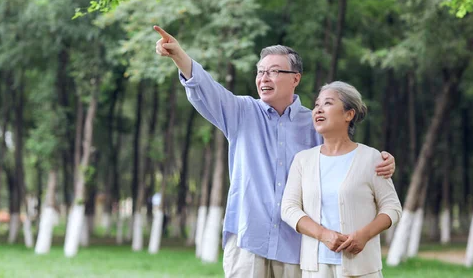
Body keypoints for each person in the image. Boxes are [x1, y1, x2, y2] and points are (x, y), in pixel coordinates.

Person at [154, 26, 395, 278]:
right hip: (248, 240)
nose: (264, 78)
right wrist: (179, 56)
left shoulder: (314, 123)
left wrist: (382, 161)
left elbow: (345, 157)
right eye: (260, 72)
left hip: (298, 244)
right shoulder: (241, 113)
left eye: (274, 71)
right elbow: (206, 89)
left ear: (295, 78)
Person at [281, 82, 402, 278]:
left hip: (362, 267)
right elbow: (288, 208)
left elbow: (392, 208)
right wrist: (323, 235)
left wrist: (364, 235)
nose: (318, 109)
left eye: (328, 103)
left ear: (349, 114)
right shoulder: (303, 160)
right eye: (317, 104)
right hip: (316, 267)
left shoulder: (372, 158)